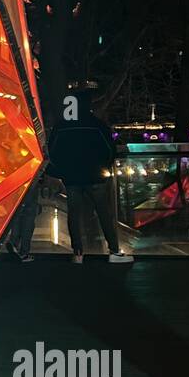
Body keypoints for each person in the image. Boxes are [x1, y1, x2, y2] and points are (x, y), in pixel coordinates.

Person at [46, 87, 133, 264]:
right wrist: (104, 166)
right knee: (104, 213)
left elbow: (52, 152)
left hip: (71, 178)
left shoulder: (62, 126)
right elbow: (110, 150)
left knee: (74, 214)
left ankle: (78, 252)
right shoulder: (97, 125)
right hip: (95, 177)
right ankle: (114, 251)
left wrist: (61, 171)